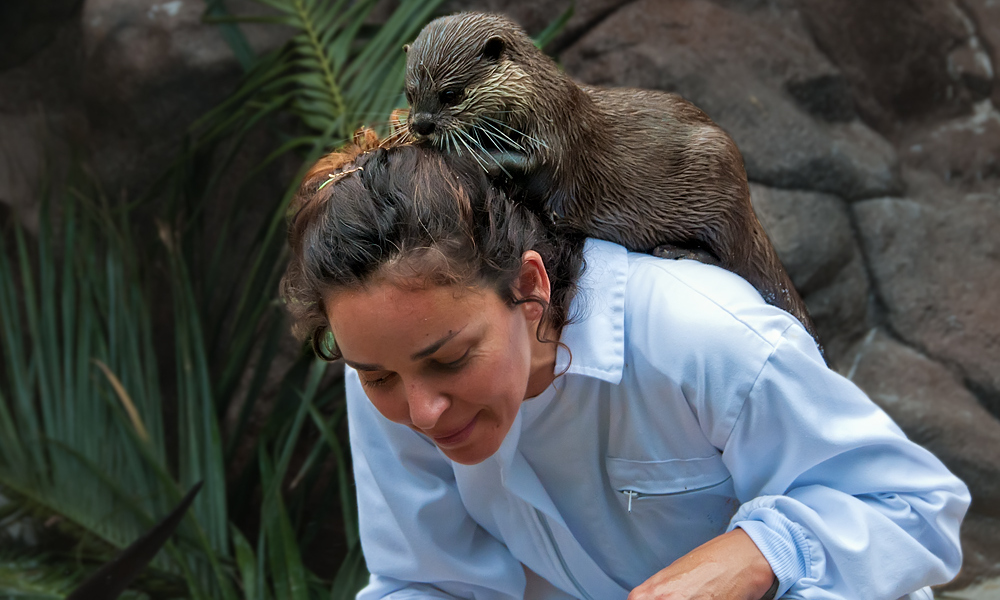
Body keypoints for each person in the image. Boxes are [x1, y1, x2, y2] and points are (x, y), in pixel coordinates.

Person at [281, 141, 969, 600]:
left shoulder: (698, 333)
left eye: (452, 359)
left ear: (529, 288)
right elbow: (426, 580)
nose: (422, 410)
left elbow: (914, 508)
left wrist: (760, 553)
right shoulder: (391, 365)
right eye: (378, 377)